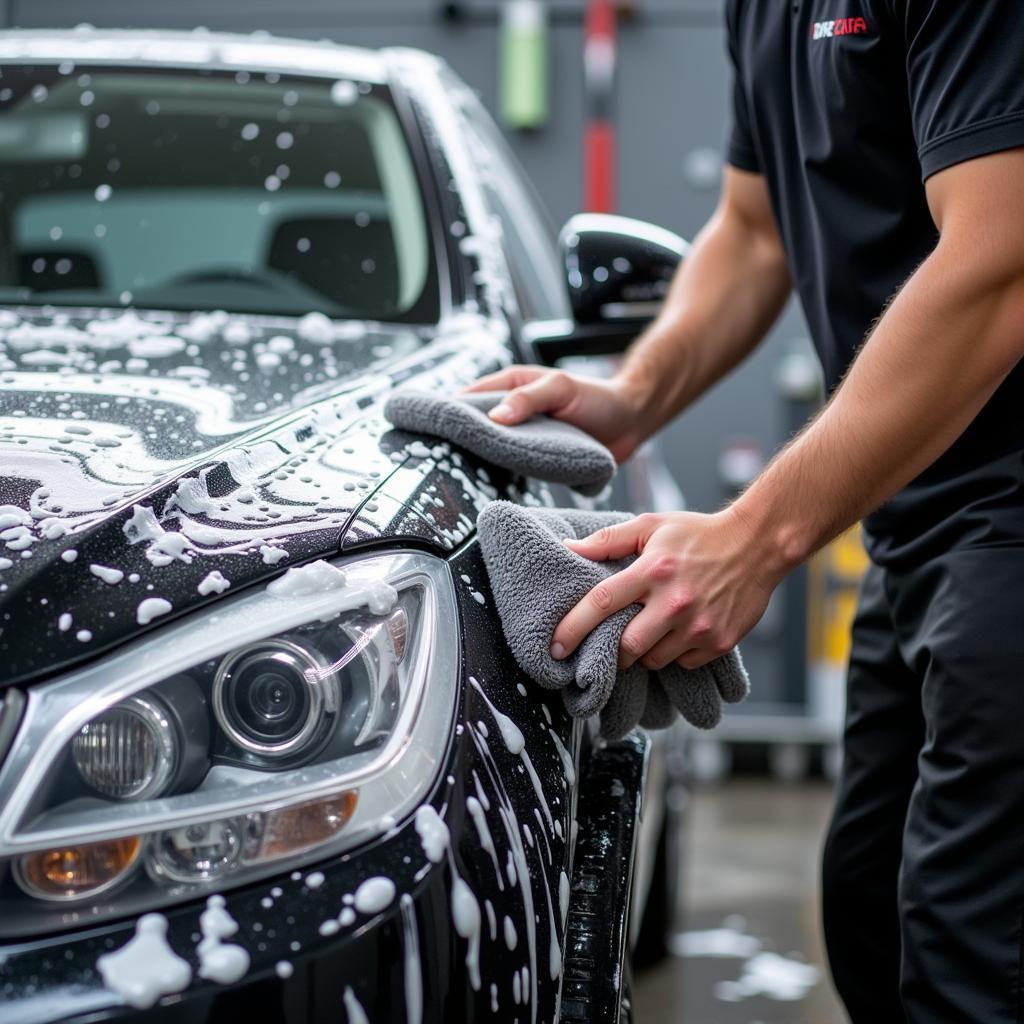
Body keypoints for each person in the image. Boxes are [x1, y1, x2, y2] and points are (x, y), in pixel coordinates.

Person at [467, 2, 1024, 1020]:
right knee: (872, 913)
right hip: (915, 522)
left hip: (1007, 520)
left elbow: (1001, 260)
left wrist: (754, 538)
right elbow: (754, 228)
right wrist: (633, 398)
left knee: (975, 956)